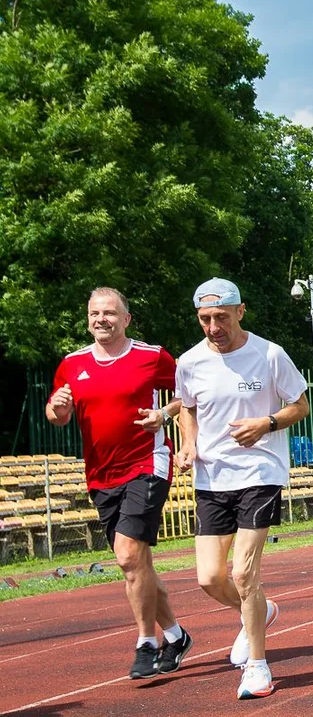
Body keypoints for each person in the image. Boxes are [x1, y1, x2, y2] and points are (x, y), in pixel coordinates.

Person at [46, 287, 192, 680]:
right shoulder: (72, 364)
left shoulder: (150, 355)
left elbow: (189, 393)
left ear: (126, 319)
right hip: (100, 473)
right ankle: (176, 636)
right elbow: (56, 413)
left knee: (128, 556)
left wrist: (163, 413)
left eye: (110, 313)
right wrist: (56, 410)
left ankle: (147, 641)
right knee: (137, 564)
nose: (101, 320)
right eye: (95, 313)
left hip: (147, 463)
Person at [175, 278, 310, 699]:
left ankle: (257, 665)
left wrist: (266, 424)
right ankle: (261, 611)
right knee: (210, 578)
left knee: (243, 571)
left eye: (220, 317)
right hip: (212, 479)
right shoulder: (190, 362)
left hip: (260, 472)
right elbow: (187, 409)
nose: (213, 326)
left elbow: (300, 405)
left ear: (240, 311)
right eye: (204, 319)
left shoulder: (270, 355)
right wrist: (189, 444)